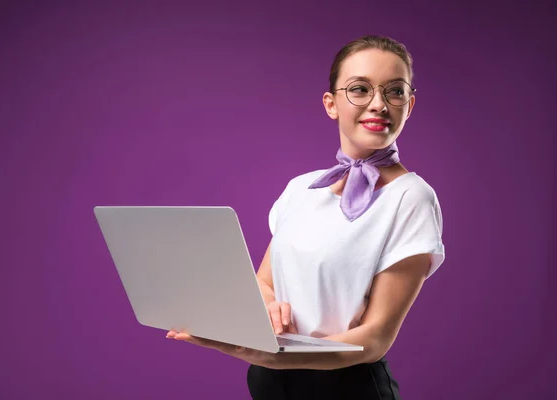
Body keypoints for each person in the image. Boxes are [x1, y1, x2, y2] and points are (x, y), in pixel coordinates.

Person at [167, 34, 446, 400]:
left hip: (347, 389)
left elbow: (376, 338)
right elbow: (264, 281)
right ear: (331, 104)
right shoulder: (301, 189)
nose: (379, 104)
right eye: (360, 89)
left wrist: (276, 356)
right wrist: (268, 309)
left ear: (408, 105)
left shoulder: (411, 198)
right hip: (269, 384)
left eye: (394, 91)